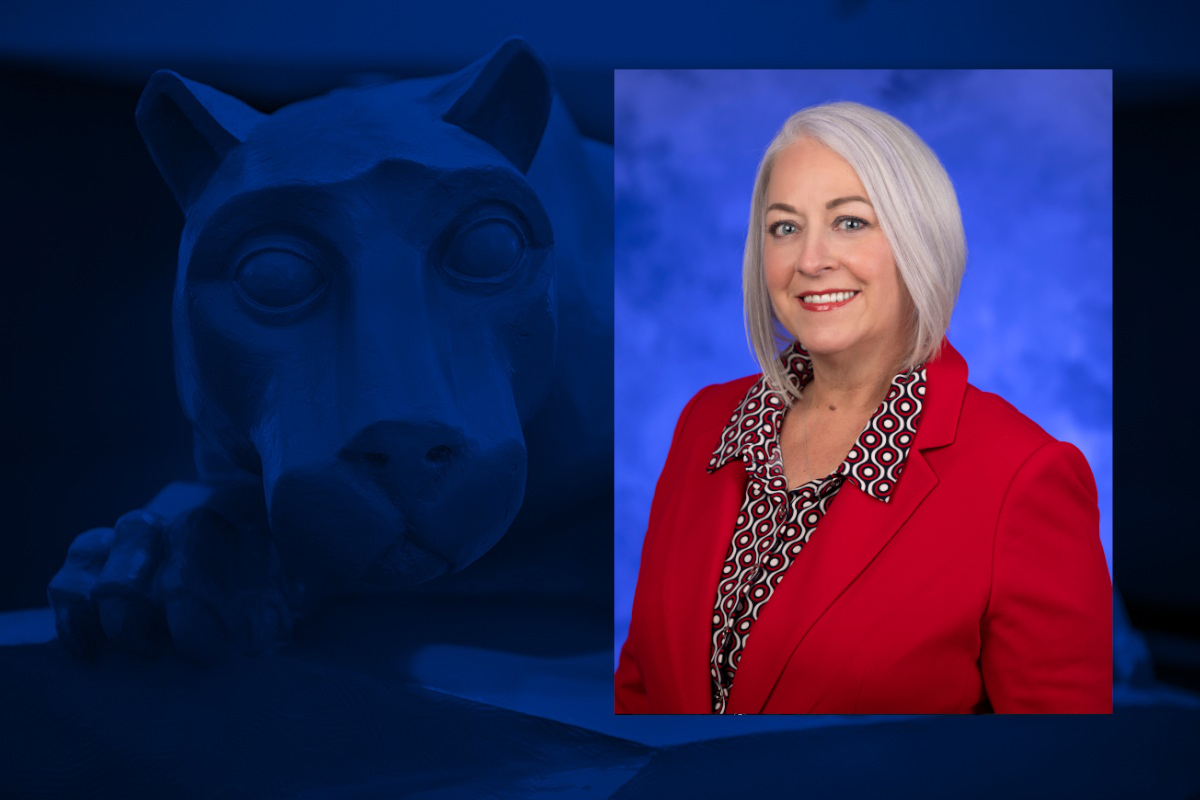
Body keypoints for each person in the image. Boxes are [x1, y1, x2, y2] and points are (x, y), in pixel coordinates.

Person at [614, 102, 1111, 714]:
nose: (810, 260)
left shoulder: (1024, 476)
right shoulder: (706, 424)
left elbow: (1059, 765)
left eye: (850, 223)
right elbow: (640, 684)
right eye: (784, 227)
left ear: (918, 240)